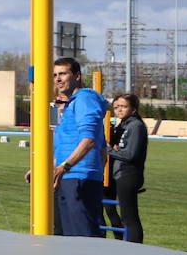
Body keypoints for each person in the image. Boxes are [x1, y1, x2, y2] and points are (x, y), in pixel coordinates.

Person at [25, 58, 106, 236]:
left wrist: (66, 166)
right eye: (54, 75)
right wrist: (43, 167)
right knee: (65, 236)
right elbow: (61, 145)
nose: (58, 79)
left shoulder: (85, 99)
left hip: (78, 177)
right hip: (65, 176)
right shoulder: (63, 106)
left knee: (82, 236)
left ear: (77, 76)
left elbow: (90, 140)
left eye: (63, 74)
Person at [105, 92, 147, 243]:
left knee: (129, 216)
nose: (119, 110)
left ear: (133, 108)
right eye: (116, 107)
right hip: (117, 173)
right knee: (110, 208)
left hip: (128, 175)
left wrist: (107, 150)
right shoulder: (121, 124)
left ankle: (135, 246)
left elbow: (130, 154)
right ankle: (119, 240)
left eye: (123, 106)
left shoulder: (135, 126)